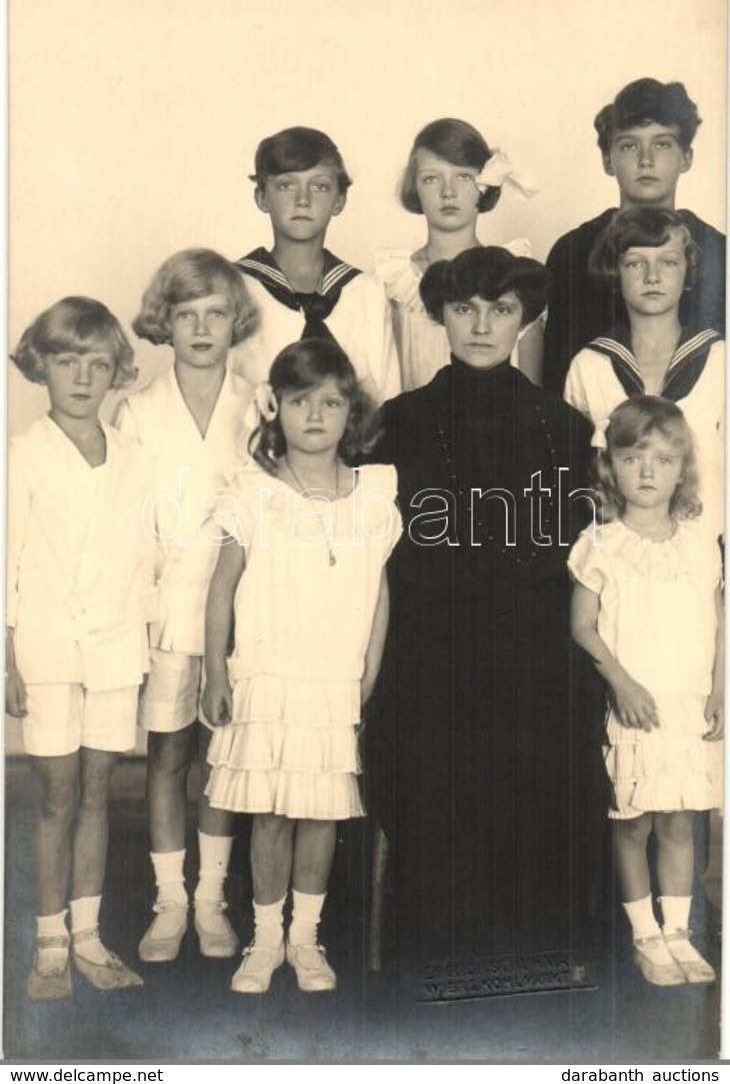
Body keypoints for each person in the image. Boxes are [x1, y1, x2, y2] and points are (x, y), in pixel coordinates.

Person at [364, 246, 605, 964]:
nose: (481, 325)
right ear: (440, 314)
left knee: (549, 755)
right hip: (428, 650)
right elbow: (380, 557)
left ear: (527, 319)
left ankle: (533, 955)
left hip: (531, 652)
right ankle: (434, 958)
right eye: (465, 307)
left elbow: (568, 562)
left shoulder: (563, 427)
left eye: (501, 309)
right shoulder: (395, 423)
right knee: (429, 764)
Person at [201, 339, 401, 994]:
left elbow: (378, 588)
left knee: (320, 811)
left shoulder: (372, 494)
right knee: (271, 811)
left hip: (331, 678)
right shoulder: (254, 492)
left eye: (332, 401)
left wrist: (370, 663)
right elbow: (222, 585)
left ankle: (305, 938)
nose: (316, 414)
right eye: (300, 401)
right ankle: (263, 940)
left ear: (352, 412)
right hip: (267, 672)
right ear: (276, 408)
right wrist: (216, 670)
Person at [6, 297, 153, 1000]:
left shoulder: (132, 455)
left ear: (116, 371)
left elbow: (143, 555)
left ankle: (91, 935)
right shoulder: (22, 456)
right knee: (56, 796)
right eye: (68, 361)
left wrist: (145, 646)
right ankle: (49, 941)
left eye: (99, 363)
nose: (84, 376)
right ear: (42, 365)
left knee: (99, 789)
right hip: (49, 645)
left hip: (118, 644)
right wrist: (7, 654)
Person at [114, 248, 256, 964]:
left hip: (242, 608)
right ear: (164, 322)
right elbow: (127, 528)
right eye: (186, 314)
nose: (201, 328)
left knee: (225, 756)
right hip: (168, 609)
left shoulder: (259, 400)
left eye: (216, 313)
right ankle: (170, 896)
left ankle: (212, 899)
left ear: (236, 321)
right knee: (168, 754)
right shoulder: (137, 410)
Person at [569, 396, 723, 986]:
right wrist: (621, 681)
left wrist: (719, 690)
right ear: (612, 467)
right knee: (632, 822)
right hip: (636, 706)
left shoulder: (699, 543)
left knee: (679, 823)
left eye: (663, 459)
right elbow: (582, 626)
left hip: (686, 704)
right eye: (634, 458)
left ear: (683, 468)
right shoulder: (602, 544)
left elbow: (720, 620)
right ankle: (644, 936)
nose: (649, 472)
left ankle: (679, 933)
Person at [543, 78, 726, 393]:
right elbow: (558, 377)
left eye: (662, 143)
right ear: (607, 160)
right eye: (629, 145)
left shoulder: (717, 250)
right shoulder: (573, 251)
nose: (646, 159)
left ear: (687, 157)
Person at [564, 207, 724, 538]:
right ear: (615, 272)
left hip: (707, 552)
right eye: (636, 263)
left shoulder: (720, 359)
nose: (653, 276)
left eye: (668, 262)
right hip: (616, 561)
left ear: (687, 271)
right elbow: (577, 477)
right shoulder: (590, 365)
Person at [230, 126, 400, 404]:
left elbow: (388, 401)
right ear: (262, 197)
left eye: (319, 186)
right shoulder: (233, 287)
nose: (303, 200)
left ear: (339, 200)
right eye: (286, 185)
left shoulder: (367, 293)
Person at [375, 117, 542, 390]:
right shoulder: (392, 286)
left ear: (486, 183)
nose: (448, 192)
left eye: (463, 177)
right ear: (414, 187)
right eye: (431, 179)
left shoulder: (515, 278)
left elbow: (533, 393)